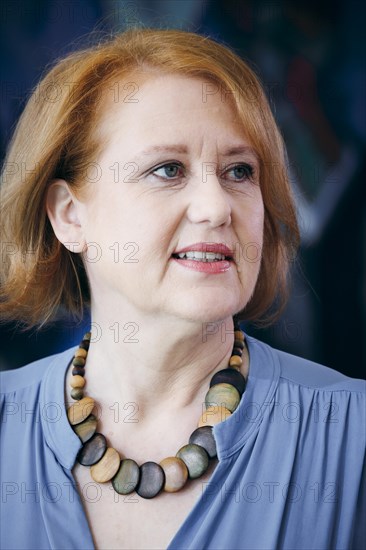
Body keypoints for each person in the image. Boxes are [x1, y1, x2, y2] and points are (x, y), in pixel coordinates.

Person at [0, 27, 364, 550]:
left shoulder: (352, 435)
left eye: (240, 171)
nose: (217, 208)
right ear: (69, 215)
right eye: (168, 169)